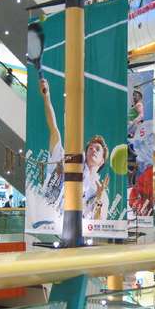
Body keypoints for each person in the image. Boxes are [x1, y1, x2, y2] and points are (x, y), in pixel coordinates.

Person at [39, 78, 110, 220]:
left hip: (77, 230)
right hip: (47, 221)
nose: (93, 149)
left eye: (97, 149)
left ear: (102, 161)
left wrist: (99, 198)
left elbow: (98, 223)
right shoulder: (67, 160)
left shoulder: (99, 191)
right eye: (90, 147)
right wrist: (46, 97)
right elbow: (54, 129)